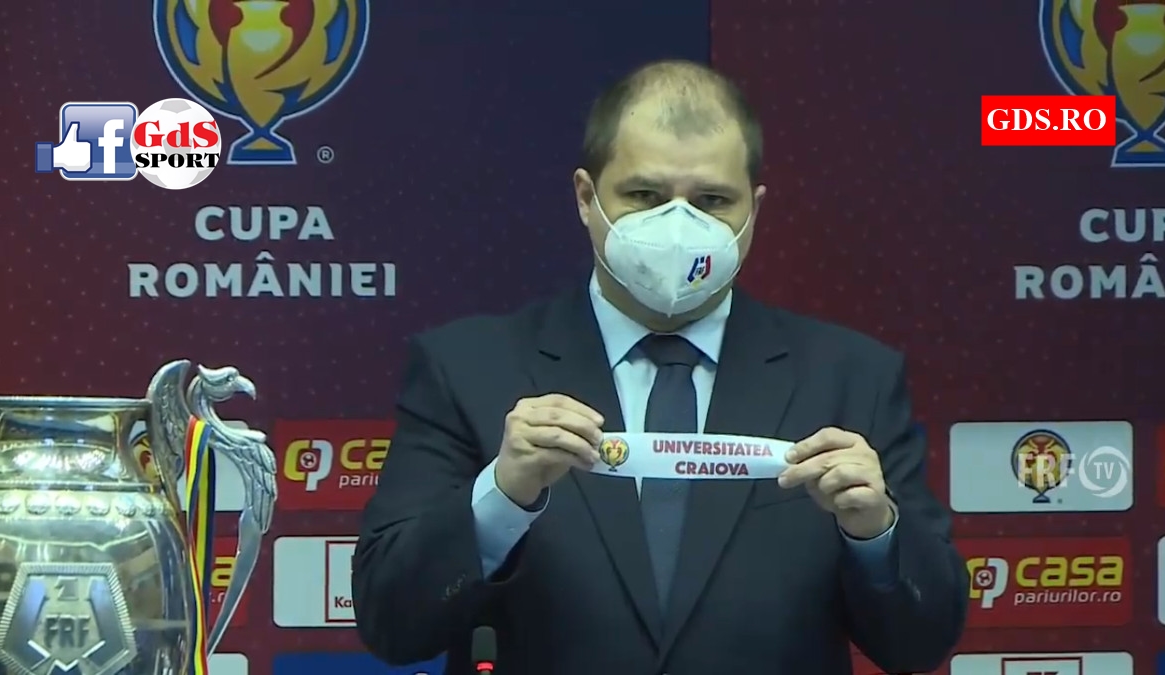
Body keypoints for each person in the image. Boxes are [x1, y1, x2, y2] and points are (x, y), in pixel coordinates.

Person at [353, 59, 967, 675]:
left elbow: (920, 643)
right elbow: (392, 623)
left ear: (753, 210)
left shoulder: (852, 378)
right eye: (644, 195)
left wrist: (874, 532)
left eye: (711, 200)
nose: (678, 226)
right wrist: (502, 496)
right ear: (587, 198)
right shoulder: (468, 369)